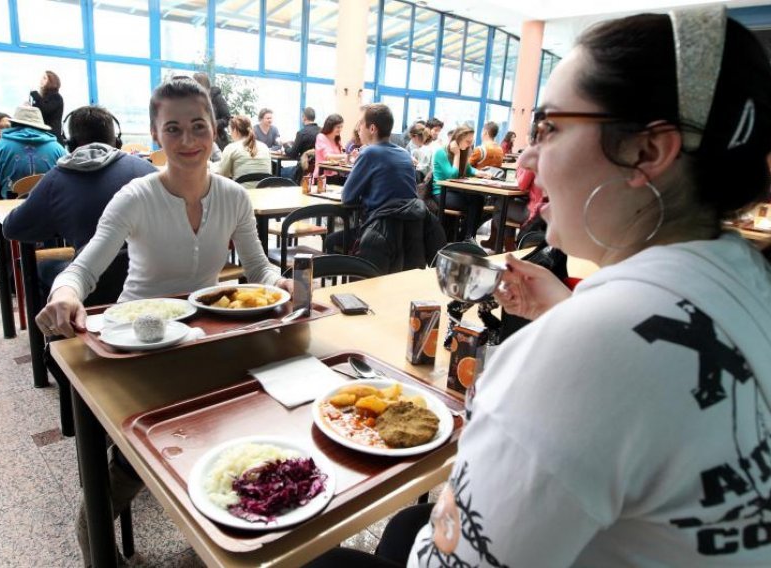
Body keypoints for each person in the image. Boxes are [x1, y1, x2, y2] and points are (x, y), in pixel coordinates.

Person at [309, 6, 771, 567]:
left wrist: (546, 352)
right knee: (410, 521)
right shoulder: (749, 276)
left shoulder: (589, 346)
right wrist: (564, 312)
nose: (526, 156)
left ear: (646, 151)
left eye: (549, 128)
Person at [35, 78, 292, 566]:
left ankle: (227, 525)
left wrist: (284, 281)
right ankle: (96, 520)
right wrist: (65, 295)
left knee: (260, 406)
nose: (188, 140)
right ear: (156, 134)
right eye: (173, 129)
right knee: (156, 431)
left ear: (215, 130)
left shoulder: (235, 196)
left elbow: (260, 270)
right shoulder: (135, 196)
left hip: (206, 337)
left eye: (198, 126)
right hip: (138, 343)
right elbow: (83, 268)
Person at [2, 105, 156, 299]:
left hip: (88, 288)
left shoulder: (55, 179)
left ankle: (57, 327)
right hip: (148, 282)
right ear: (117, 142)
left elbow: (12, 229)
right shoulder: (147, 171)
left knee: (42, 268)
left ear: (70, 145)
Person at [328, 103, 444, 272]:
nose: (358, 128)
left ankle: (343, 289)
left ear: (372, 128)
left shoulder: (369, 153)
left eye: (361, 123)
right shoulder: (404, 154)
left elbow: (347, 197)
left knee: (330, 240)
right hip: (409, 236)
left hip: (379, 234)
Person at [0, 105, 66, 197]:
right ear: (41, 126)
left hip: (10, 209)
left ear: (14, 124)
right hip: (49, 209)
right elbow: (66, 184)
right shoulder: (58, 149)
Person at [431, 125, 490, 240]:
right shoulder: (441, 152)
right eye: (468, 141)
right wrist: (457, 154)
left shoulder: (463, 151)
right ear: (458, 138)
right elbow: (451, 176)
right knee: (474, 202)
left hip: (454, 191)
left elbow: (468, 169)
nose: (469, 144)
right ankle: (466, 238)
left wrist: (480, 173)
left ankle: (466, 236)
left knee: (479, 199)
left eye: (471, 142)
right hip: (440, 193)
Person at [216, 115, 272, 187]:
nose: (231, 135)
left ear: (235, 130)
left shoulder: (231, 148)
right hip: (265, 193)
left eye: (230, 132)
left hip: (241, 194)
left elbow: (222, 177)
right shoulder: (264, 147)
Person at [193, 72, 231, 150]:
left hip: (217, 139)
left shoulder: (217, 98)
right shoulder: (194, 100)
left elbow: (227, 118)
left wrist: (211, 124)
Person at [281, 107, 320, 180]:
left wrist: (285, 146)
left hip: (302, 170)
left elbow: (292, 154)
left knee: (279, 171)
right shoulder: (321, 131)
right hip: (317, 171)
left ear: (304, 117)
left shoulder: (301, 133)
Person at [29, 70, 64, 142]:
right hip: (42, 134)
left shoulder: (56, 96)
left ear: (51, 81)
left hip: (52, 136)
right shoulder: (42, 97)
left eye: (44, 78)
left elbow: (45, 109)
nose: (41, 80)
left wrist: (35, 95)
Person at [314, 113, 346, 183]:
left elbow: (339, 158)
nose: (340, 129)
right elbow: (327, 156)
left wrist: (345, 158)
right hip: (322, 176)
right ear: (330, 126)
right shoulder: (321, 137)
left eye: (341, 127)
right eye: (338, 127)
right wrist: (345, 156)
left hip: (335, 175)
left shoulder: (337, 139)